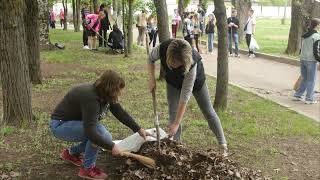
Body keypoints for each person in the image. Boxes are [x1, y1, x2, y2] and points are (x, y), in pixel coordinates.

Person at [50, 70, 151, 179]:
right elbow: (90, 131)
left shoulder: (104, 93)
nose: (120, 93)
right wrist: (111, 146)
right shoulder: (91, 98)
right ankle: (87, 169)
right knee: (102, 135)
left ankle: (70, 153)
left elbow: (120, 113)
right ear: (110, 89)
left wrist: (138, 129)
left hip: (75, 124)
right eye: (118, 90)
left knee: (100, 136)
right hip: (60, 126)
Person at [147, 39, 228, 156]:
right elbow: (150, 59)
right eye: (171, 63)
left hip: (196, 83)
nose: (173, 67)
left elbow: (185, 96)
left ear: (184, 61)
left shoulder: (192, 63)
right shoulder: (162, 48)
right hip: (173, 82)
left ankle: (223, 145)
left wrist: (176, 124)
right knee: (173, 112)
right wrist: (151, 78)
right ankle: (176, 146)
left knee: (208, 112)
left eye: (177, 64)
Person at [294, 18, 320, 104]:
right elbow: (316, 50)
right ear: (317, 25)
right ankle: (309, 99)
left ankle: (298, 95)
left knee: (304, 78)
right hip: (311, 60)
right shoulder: (316, 36)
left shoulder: (306, 35)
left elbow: (302, 48)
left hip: (303, 59)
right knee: (311, 80)